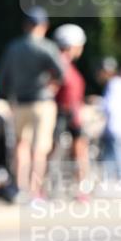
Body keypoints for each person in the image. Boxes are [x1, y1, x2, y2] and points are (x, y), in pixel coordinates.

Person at [0, 7, 64, 199]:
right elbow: (61, 72)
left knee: (21, 145)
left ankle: (20, 187)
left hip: (19, 102)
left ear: (26, 25)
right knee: (40, 148)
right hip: (42, 102)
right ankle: (35, 192)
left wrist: (10, 96)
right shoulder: (47, 46)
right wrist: (51, 85)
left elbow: (3, 78)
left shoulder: (13, 47)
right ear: (44, 25)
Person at [52, 24, 90, 198]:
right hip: (62, 113)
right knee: (53, 151)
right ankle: (47, 188)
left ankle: (81, 187)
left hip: (71, 114)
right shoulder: (59, 63)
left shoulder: (64, 63)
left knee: (80, 150)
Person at [97, 57, 121, 182]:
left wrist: (98, 106)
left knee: (116, 154)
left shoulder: (113, 84)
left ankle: (120, 180)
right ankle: (118, 179)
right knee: (117, 153)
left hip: (114, 126)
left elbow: (110, 106)